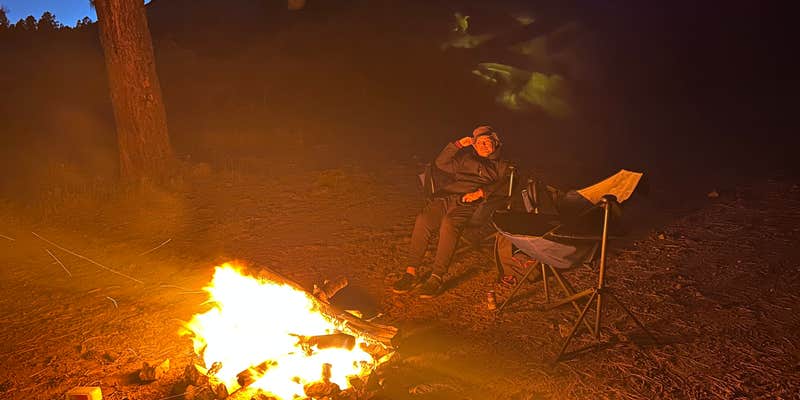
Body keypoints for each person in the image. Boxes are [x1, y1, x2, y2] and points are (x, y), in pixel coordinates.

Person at [392, 125, 513, 298]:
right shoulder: (466, 159)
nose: (483, 146)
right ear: (474, 145)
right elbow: (441, 163)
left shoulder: (502, 165)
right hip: (448, 197)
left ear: (496, 142)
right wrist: (456, 145)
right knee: (423, 219)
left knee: (449, 225)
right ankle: (411, 272)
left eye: (487, 142)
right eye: (479, 143)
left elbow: (508, 184)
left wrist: (482, 192)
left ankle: (436, 277)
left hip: (471, 203)